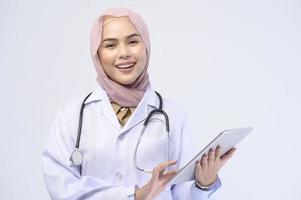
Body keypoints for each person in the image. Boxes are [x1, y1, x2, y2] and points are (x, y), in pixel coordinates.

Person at [41, 7, 236, 200]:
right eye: (110, 45)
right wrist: (134, 196)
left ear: (146, 46)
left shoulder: (173, 116)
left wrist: (203, 184)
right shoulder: (71, 116)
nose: (124, 53)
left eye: (133, 41)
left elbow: (181, 194)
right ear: (97, 54)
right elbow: (61, 188)